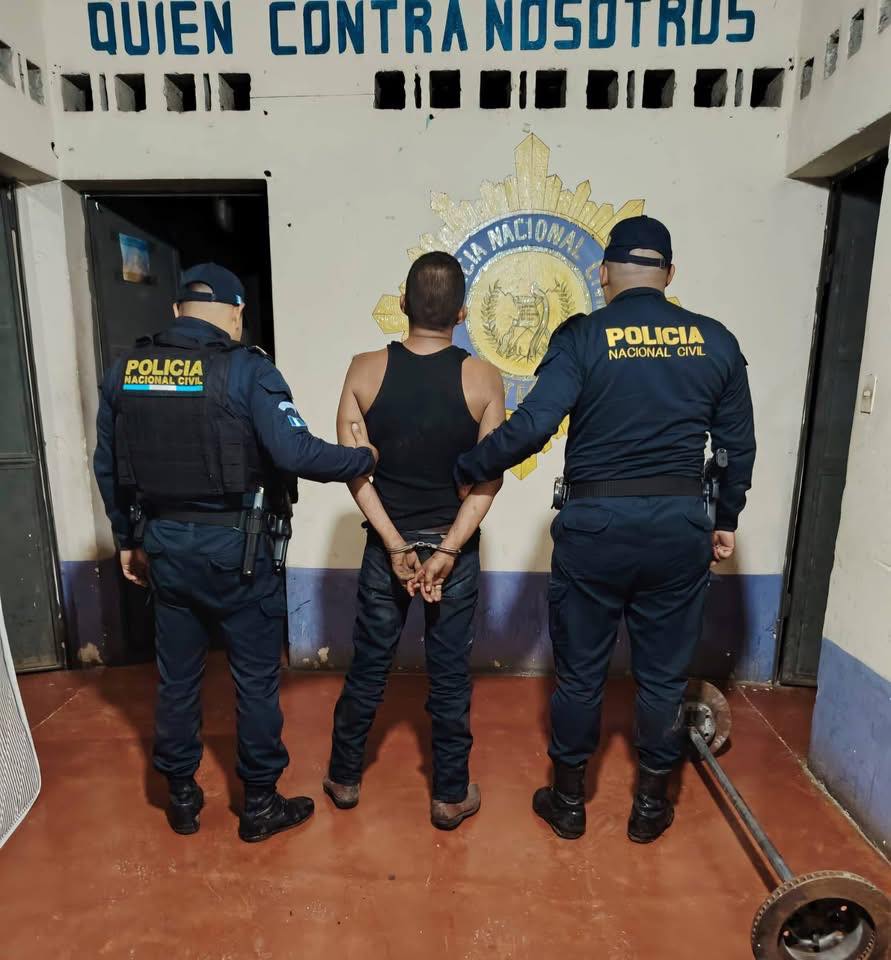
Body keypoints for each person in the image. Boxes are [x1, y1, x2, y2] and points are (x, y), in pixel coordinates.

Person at [454, 217, 755, 842]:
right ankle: (650, 808)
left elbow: (534, 425)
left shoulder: (583, 336)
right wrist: (724, 519)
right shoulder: (716, 341)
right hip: (678, 529)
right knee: (664, 678)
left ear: (604, 273)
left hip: (595, 530)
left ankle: (568, 803)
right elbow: (736, 450)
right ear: (670, 274)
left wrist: (469, 466)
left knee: (580, 675)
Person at [93, 263, 377, 843]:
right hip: (238, 552)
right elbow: (296, 453)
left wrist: (127, 540)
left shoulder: (128, 370)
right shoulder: (248, 370)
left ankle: (181, 796)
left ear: (176, 310)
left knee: (177, 679)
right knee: (254, 681)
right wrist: (364, 458)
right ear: (237, 312)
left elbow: (107, 465)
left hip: (165, 547)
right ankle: (260, 805)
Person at [323, 251, 506, 830]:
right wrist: (447, 549)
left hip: (388, 550)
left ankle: (344, 778)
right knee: (449, 674)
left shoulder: (363, 370)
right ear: (462, 312)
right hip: (456, 552)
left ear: (402, 303)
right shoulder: (484, 378)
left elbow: (355, 469)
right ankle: (449, 796)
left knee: (369, 665)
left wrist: (395, 544)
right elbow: (489, 478)